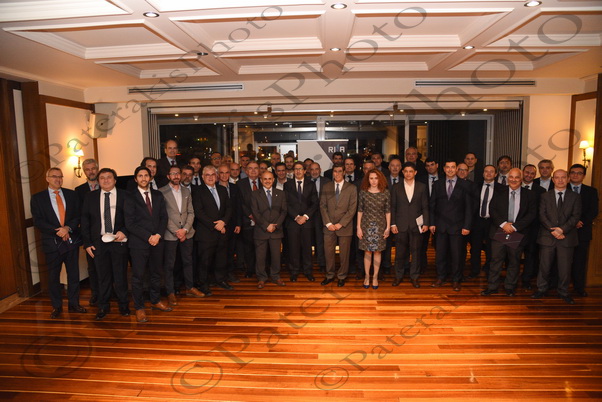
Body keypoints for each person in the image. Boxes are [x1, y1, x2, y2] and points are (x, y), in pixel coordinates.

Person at [31, 168, 86, 319]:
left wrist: (67, 228)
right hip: (52, 243)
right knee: (53, 277)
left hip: (71, 241)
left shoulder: (72, 195)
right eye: (54, 176)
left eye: (60, 177)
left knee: (73, 274)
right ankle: (57, 306)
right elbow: (38, 221)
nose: (58, 179)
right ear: (47, 178)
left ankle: (74, 304)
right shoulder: (38, 198)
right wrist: (58, 231)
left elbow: (78, 215)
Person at [81, 167, 131, 320]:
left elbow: (132, 218)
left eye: (109, 177)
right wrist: (87, 243)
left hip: (118, 241)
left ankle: (124, 305)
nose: (106, 180)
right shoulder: (90, 197)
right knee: (102, 277)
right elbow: (85, 221)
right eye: (102, 178)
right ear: (98, 181)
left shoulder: (125, 195)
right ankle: (103, 306)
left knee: (120, 276)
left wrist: (125, 231)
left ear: (115, 180)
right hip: (99, 243)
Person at [124, 166, 170, 323]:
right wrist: (148, 236)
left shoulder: (158, 195)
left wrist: (158, 235)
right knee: (138, 277)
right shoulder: (130, 197)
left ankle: (155, 301)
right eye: (140, 176)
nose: (143, 178)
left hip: (157, 241)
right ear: (135, 179)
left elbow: (164, 217)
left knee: (156, 273)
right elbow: (130, 223)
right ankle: (139, 308)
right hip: (139, 243)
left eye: (146, 175)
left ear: (150, 178)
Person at [481, 168, 536, 297]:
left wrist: (515, 227)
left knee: (514, 261)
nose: (513, 180)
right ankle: (492, 286)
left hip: (516, 232)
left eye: (517, 177)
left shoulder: (529, 195)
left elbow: (531, 214)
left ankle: (510, 287)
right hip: (500, 230)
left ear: (521, 179)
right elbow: (492, 209)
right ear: (508, 178)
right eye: (511, 177)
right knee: (496, 260)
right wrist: (503, 224)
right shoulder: (499, 192)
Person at [533, 169, 582, 304]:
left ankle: (563, 292)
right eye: (557, 177)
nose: (560, 180)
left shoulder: (575, 197)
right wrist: (554, 230)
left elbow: (576, 216)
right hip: (547, 237)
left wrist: (562, 230)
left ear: (568, 179)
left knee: (565, 268)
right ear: (553, 180)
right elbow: (542, 215)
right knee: (544, 266)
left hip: (567, 237)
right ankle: (541, 289)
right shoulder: (545, 196)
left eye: (563, 177)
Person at [160, 166, 204, 307]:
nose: (176, 176)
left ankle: (190, 288)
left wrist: (185, 230)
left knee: (188, 261)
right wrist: (177, 231)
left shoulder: (186, 191)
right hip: (170, 234)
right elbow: (163, 215)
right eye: (173, 173)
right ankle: (170, 292)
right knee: (170, 265)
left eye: (178, 173)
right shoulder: (161, 192)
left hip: (187, 233)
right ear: (168, 176)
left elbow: (191, 212)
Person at [429, 160, 473, 291]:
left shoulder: (465, 185)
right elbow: (432, 205)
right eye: (447, 167)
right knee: (440, 254)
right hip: (440, 226)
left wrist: (467, 226)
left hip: (458, 226)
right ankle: (441, 277)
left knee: (457, 255)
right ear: (443, 169)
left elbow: (469, 208)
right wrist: (431, 223)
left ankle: (456, 279)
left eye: (453, 167)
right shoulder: (437, 184)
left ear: (457, 169)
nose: (450, 169)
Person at [193, 166, 232, 292]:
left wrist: (223, 222)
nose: (210, 177)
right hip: (206, 232)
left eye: (213, 175)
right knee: (205, 260)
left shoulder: (222, 189)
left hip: (222, 231)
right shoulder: (197, 191)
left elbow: (229, 208)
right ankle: (203, 284)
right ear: (202, 177)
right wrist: (215, 225)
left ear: (216, 176)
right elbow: (199, 212)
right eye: (207, 175)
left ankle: (220, 280)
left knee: (221, 258)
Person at [390, 162, 429, 288]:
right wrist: (392, 224)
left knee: (416, 253)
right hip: (400, 224)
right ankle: (398, 276)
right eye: (406, 171)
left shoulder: (422, 187)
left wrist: (426, 223)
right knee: (400, 253)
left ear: (415, 173)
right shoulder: (396, 187)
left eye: (410, 171)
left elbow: (425, 206)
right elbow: (393, 207)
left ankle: (414, 277)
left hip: (416, 225)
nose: (408, 173)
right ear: (402, 172)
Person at [320, 164, 358, 287]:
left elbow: (352, 209)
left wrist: (341, 224)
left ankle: (342, 276)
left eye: (340, 171)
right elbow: (322, 206)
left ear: (344, 172)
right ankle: (329, 275)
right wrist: (328, 223)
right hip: (329, 226)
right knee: (328, 253)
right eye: (335, 171)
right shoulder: (326, 186)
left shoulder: (351, 188)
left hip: (344, 227)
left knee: (344, 254)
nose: (337, 173)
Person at [251, 171, 287, 288]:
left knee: (276, 256)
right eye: (265, 179)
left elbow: (284, 211)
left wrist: (275, 225)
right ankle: (261, 278)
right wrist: (267, 225)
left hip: (276, 231)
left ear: (273, 180)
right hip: (261, 231)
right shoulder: (255, 194)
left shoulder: (280, 193)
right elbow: (255, 212)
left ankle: (275, 276)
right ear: (261, 180)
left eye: (270, 179)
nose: (267, 181)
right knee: (260, 257)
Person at [568, 164, 599, 297]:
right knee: (562, 260)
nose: (575, 175)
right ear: (569, 174)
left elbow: (594, 210)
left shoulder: (591, 191)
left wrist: (581, 221)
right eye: (573, 172)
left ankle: (579, 287)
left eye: (579, 173)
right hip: (565, 231)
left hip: (582, 231)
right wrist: (571, 222)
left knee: (580, 261)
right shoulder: (562, 188)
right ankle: (558, 285)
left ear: (584, 176)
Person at [284, 162, 319, 282]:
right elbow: (285, 203)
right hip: (292, 221)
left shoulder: (311, 184)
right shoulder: (287, 184)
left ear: (305, 171)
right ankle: (294, 271)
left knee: (307, 248)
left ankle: (308, 271)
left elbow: (315, 203)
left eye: (300, 169)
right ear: (293, 171)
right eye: (296, 169)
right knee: (293, 248)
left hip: (307, 222)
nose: (298, 171)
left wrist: (305, 216)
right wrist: (296, 216)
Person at [468, 165, 502, 279]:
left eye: (491, 172)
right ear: (483, 174)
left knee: (491, 248)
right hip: (477, 221)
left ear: (496, 174)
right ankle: (474, 270)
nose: (488, 173)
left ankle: (489, 270)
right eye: (486, 171)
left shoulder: (501, 189)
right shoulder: (475, 186)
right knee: (475, 248)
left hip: (493, 222)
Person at [74, 158, 100, 306]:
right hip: (90, 235)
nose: (91, 171)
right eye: (88, 169)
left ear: (97, 169)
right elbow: (79, 215)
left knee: (109, 265)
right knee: (93, 267)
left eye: (93, 168)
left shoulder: (106, 185)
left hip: (108, 233)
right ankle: (95, 293)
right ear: (84, 172)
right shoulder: (79, 191)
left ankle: (111, 291)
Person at [521, 164, 545, 289]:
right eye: (527, 172)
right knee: (511, 254)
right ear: (522, 172)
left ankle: (526, 279)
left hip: (532, 228)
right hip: (515, 228)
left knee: (530, 255)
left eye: (532, 173)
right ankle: (511, 278)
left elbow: (541, 210)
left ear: (535, 175)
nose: (529, 175)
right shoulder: (514, 185)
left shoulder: (541, 190)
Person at [218, 163, 243, 283]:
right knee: (220, 252)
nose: (224, 175)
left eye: (226, 172)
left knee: (231, 250)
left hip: (232, 225)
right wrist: (221, 224)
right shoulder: (214, 187)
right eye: (221, 173)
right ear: (218, 174)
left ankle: (229, 272)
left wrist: (238, 223)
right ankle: (219, 275)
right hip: (219, 225)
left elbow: (238, 207)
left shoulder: (234, 187)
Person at [237, 161, 260, 278]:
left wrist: (260, 217)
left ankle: (262, 269)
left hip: (263, 221)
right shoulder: (240, 184)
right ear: (246, 171)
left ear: (259, 170)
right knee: (249, 247)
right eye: (250, 168)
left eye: (256, 168)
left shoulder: (265, 181)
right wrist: (251, 215)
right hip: (247, 220)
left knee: (262, 247)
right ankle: (250, 269)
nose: (253, 170)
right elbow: (240, 203)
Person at [309, 162, 331, 272]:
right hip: (308, 214)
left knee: (320, 240)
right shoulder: (306, 181)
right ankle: (308, 263)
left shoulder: (327, 181)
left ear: (320, 169)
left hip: (322, 214)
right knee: (308, 240)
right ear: (309, 171)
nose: (314, 172)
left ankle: (322, 263)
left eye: (316, 169)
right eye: (312, 169)